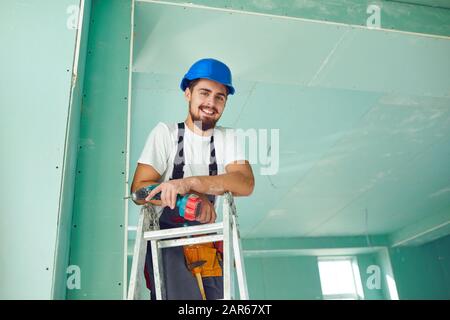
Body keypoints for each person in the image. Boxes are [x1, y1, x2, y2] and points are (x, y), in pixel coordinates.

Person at [131, 58, 255, 300]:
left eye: (220, 97)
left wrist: (189, 183)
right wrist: (182, 200)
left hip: (207, 241)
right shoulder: (166, 133)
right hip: (169, 243)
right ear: (188, 93)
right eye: (205, 93)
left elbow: (244, 182)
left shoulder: (226, 138)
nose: (211, 103)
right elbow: (139, 190)